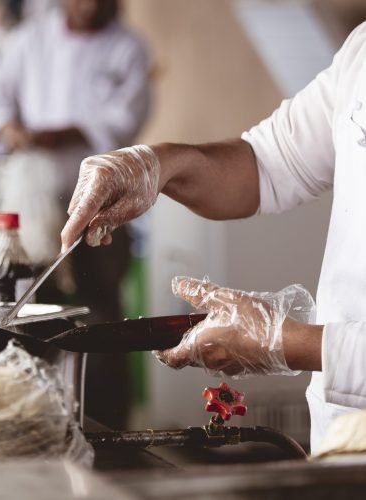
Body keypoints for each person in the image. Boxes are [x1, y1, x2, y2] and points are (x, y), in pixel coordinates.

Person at [60, 22, 366, 451]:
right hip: (342, 430)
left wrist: (284, 342)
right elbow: (267, 164)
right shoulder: (362, 49)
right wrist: (159, 163)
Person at [0, 0, 150, 428]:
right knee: (35, 309)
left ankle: (108, 426)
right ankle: (39, 419)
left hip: (105, 199)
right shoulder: (29, 39)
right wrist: (11, 130)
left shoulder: (128, 48)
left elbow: (126, 117)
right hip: (35, 200)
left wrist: (65, 133)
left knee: (102, 311)